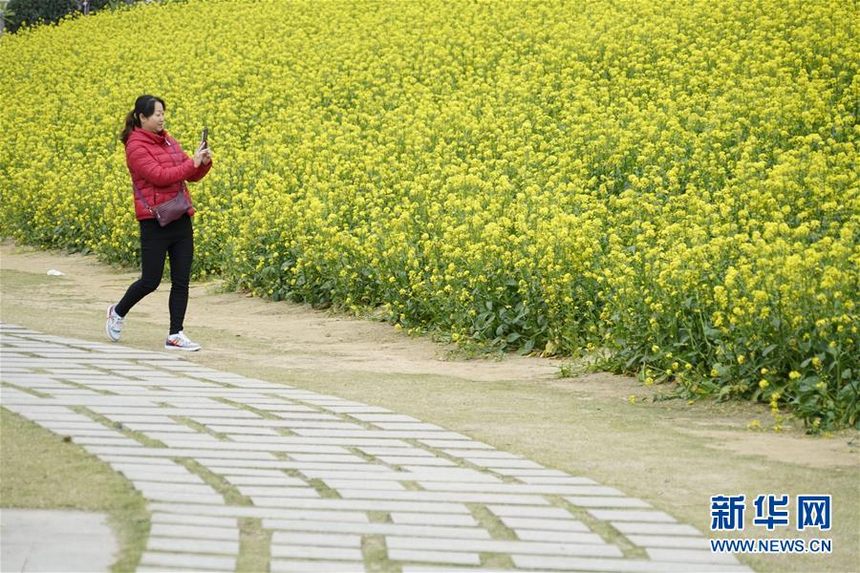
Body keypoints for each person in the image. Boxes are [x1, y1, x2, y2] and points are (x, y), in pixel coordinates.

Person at [106, 95, 212, 351]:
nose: (162, 118)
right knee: (150, 281)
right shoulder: (135, 147)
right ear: (142, 118)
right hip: (155, 221)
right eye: (157, 114)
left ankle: (175, 334)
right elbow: (160, 177)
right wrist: (192, 164)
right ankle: (117, 312)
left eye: (163, 113)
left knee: (181, 280)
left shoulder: (169, 142)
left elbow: (188, 174)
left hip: (180, 215)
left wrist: (203, 164)